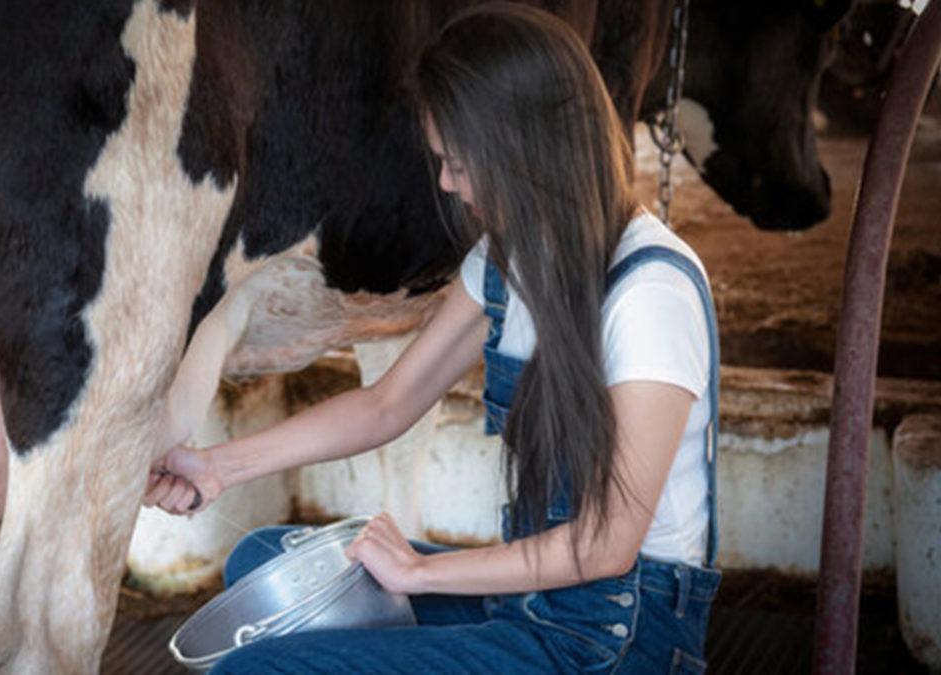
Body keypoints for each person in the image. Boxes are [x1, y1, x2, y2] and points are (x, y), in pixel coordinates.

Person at [143, 3, 721, 672]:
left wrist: (416, 572)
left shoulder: (648, 291)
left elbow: (606, 545)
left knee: (257, 668)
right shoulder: (509, 258)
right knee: (263, 562)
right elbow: (388, 403)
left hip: (624, 634)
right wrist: (219, 466)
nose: (446, 182)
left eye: (457, 160)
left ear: (524, 144)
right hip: (540, 599)